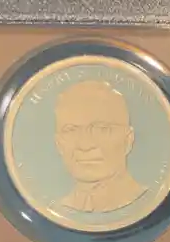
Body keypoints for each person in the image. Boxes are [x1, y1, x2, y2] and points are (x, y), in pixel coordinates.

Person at [53, 80, 147, 213]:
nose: (85, 145)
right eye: (71, 130)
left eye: (102, 129)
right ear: (59, 144)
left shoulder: (146, 202)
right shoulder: (55, 210)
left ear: (128, 140)